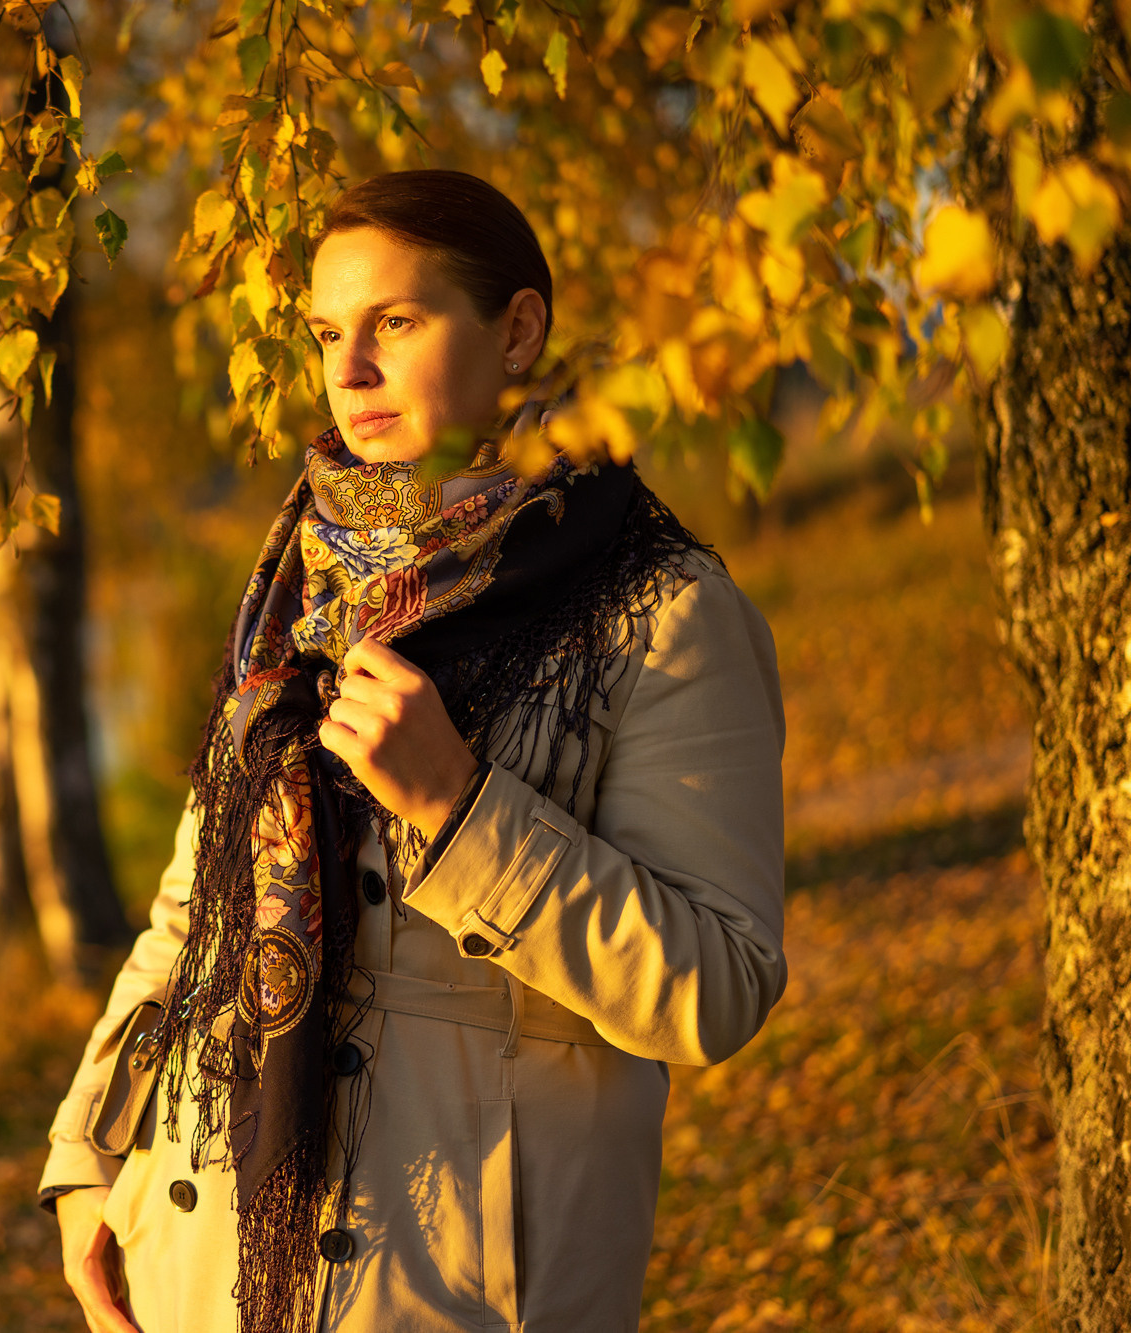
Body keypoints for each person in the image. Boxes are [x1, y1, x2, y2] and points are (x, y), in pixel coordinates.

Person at [39, 169, 786, 1333]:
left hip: (452, 1292)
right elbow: (197, 908)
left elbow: (716, 987)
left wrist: (460, 809)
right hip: (200, 1257)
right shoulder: (297, 585)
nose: (348, 372)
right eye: (328, 333)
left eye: (395, 321)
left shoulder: (657, 607)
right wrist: (92, 1151)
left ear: (518, 328)